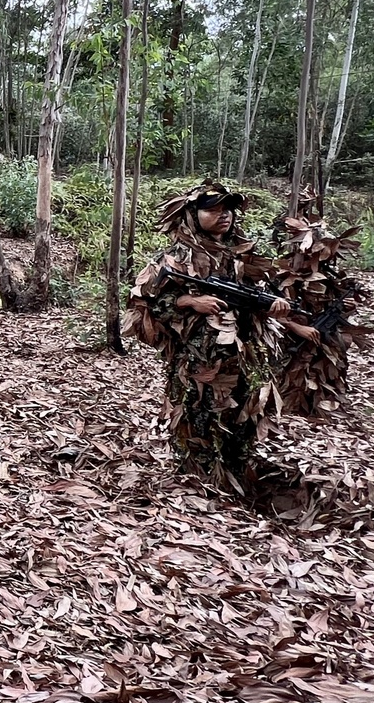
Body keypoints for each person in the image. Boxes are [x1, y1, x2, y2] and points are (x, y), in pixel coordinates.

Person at [123, 182, 290, 498]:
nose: (223, 215)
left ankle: (237, 483)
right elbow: (143, 303)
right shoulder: (174, 258)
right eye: (213, 209)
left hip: (246, 359)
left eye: (227, 209)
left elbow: (270, 295)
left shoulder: (244, 256)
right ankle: (200, 491)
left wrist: (273, 304)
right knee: (197, 425)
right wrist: (188, 302)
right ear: (192, 214)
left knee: (242, 424)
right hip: (198, 364)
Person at [270, 213, 369, 416]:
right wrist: (296, 327)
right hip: (292, 340)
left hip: (325, 344)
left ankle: (322, 405)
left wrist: (347, 306)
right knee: (294, 377)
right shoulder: (284, 277)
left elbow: (340, 308)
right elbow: (270, 312)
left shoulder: (330, 278)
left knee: (326, 372)